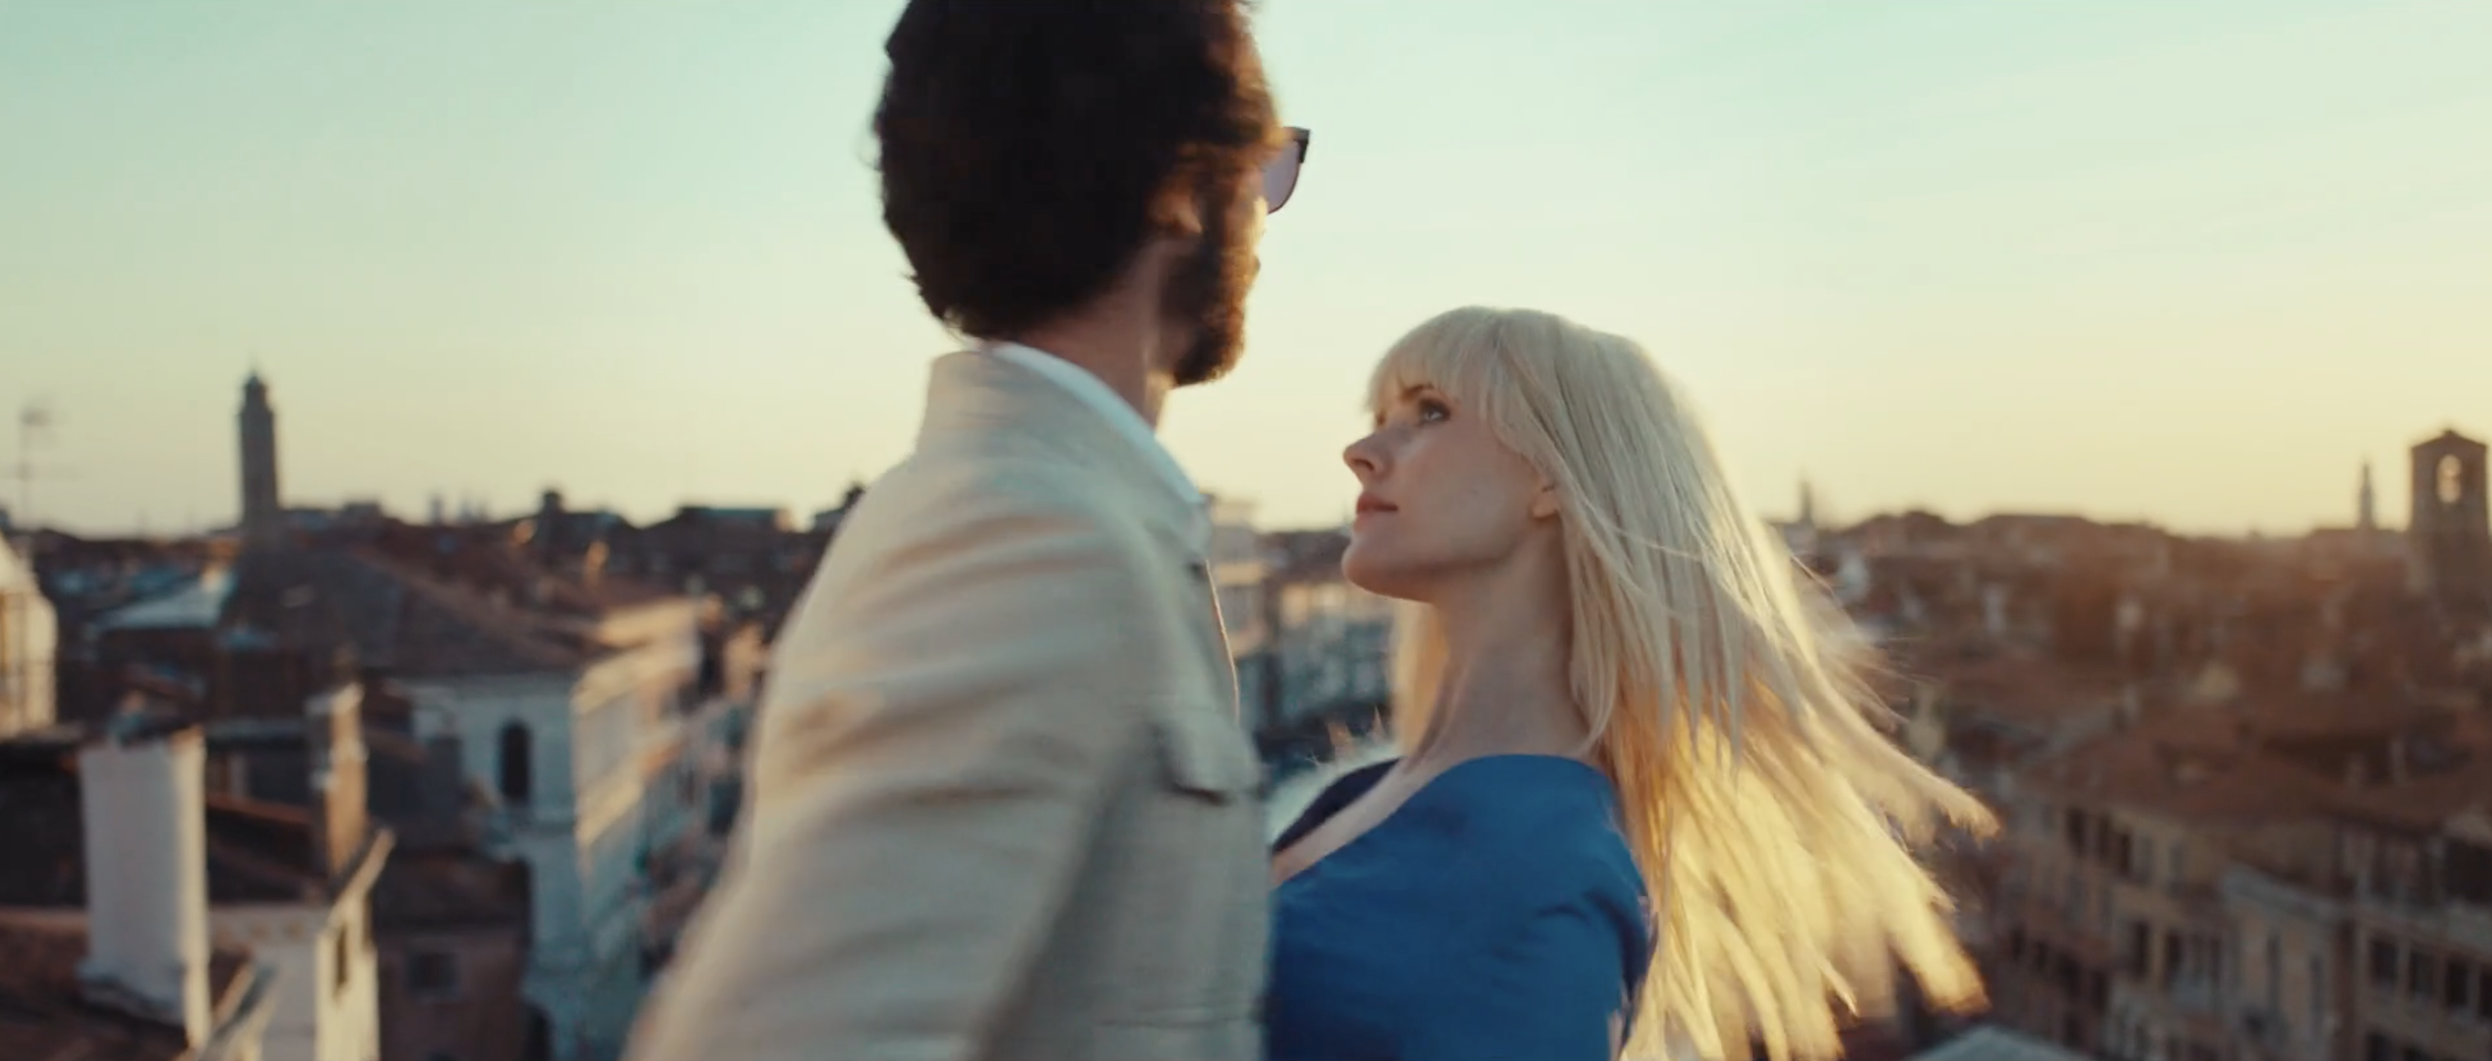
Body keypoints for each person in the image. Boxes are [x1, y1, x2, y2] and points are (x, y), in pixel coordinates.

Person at [623, 3, 1307, 1060]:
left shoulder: (1035, 508)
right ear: (1177, 186)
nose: (1266, 208)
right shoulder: (1031, 535)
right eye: (1263, 161)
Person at [1264, 307, 1994, 1061]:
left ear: (1552, 474)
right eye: (1379, 419)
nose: (1360, 452)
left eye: (1430, 412)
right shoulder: (1364, 793)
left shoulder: (1551, 869)